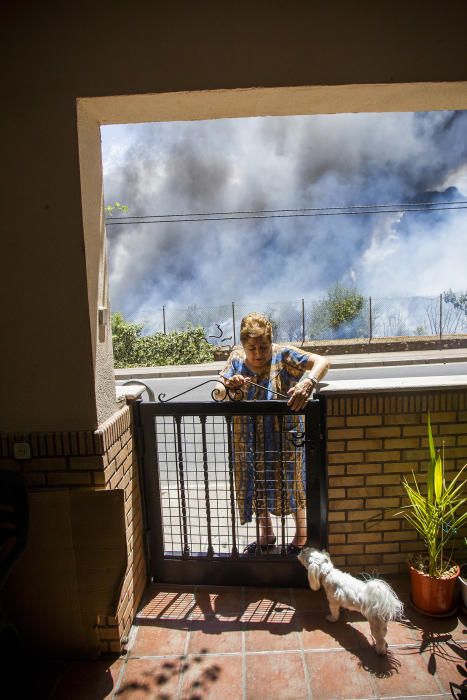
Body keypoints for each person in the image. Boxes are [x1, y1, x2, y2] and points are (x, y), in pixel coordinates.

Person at [215, 312, 330, 553]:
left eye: (263, 347)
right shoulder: (236, 359)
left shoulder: (284, 355)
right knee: (254, 480)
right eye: (252, 348)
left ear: (271, 342)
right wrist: (229, 386)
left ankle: (302, 535)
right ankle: (266, 534)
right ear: (243, 345)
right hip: (248, 438)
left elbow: (322, 362)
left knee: (293, 482)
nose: (257, 354)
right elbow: (218, 391)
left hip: (283, 438)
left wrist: (307, 382)